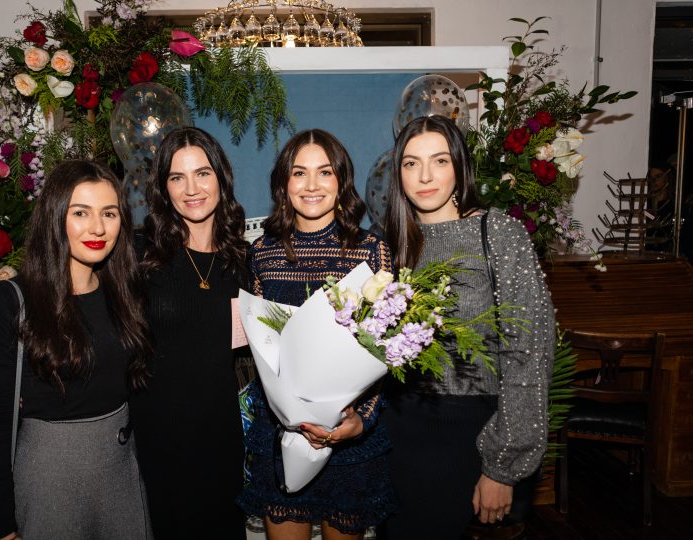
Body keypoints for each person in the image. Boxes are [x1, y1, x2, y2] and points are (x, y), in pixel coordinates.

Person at [378, 115, 555, 539]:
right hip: (399, 430)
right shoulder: (391, 241)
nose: (424, 176)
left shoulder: (498, 233)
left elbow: (528, 353)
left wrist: (503, 467)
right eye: (410, 163)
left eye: (439, 161)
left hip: (470, 432)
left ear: (459, 166)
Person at [0, 160, 152, 540]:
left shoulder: (123, 293)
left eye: (109, 213)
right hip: (50, 477)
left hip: (121, 471)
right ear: (54, 217)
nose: (98, 228)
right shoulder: (6, 304)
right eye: (80, 213)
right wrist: (2, 526)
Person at [237, 129, 396, 540]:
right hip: (282, 434)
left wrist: (360, 420)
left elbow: (386, 349)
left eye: (324, 172)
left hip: (348, 441)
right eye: (299, 173)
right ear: (283, 184)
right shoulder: (262, 252)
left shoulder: (371, 250)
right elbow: (263, 346)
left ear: (341, 182)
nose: (311, 185)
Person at [130, 126, 249, 539]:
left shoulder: (242, 258)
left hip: (221, 437)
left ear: (221, 177)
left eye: (202, 173)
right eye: (176, 177)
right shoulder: (139, 253)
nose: (191, 188)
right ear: (164, 188)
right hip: (157, 439)